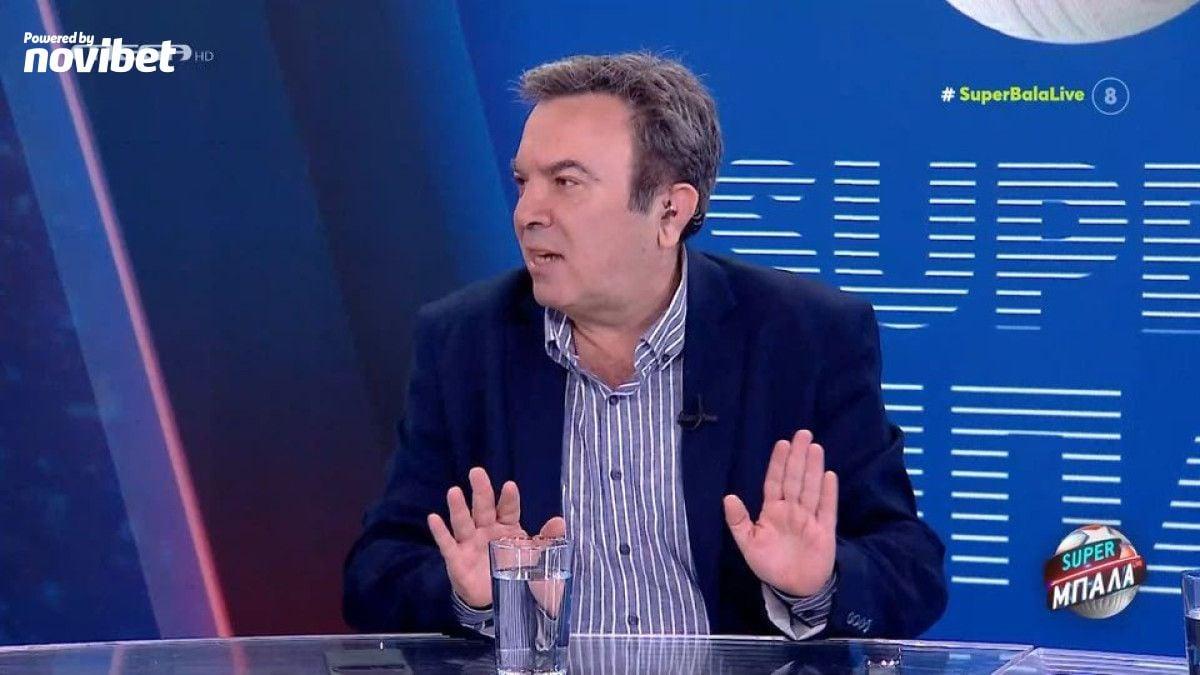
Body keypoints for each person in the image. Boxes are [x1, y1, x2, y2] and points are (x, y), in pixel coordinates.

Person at [344, 52, 946, 639]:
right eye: (524, 182)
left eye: (566, 182)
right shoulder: (463, 343)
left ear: (670, 211)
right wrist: (470, 597)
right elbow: (375, 574)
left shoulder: (804, 338)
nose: (527, 212)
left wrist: (819, 585)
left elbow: (911, 569)